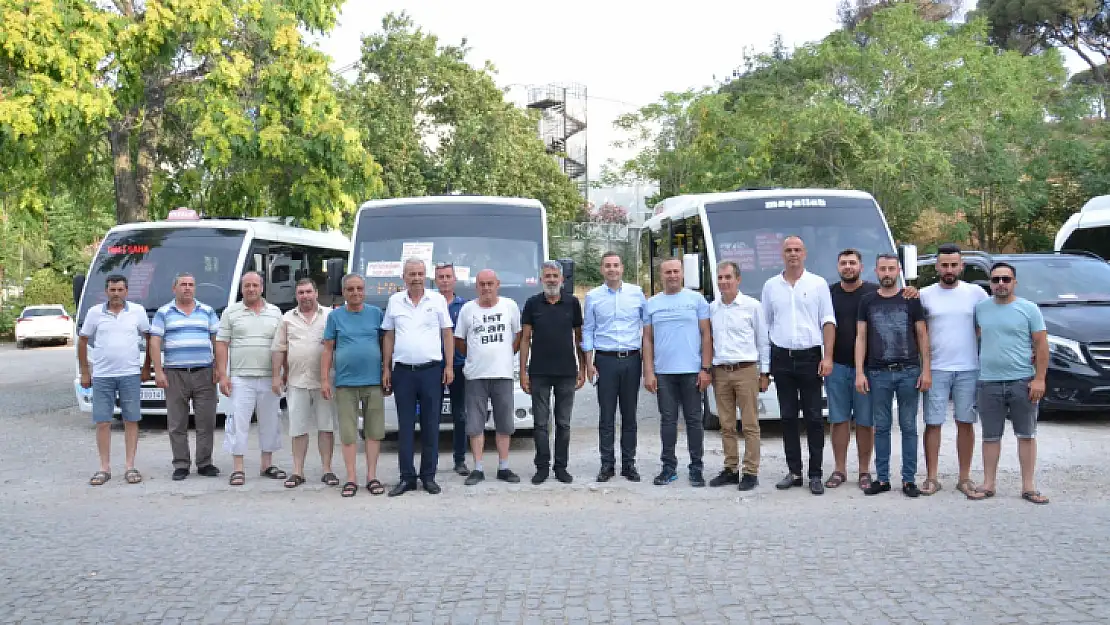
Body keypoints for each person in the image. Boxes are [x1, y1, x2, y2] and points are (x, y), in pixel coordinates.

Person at [825, 249, 919, 490]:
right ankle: (839, 469)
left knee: (866, 421)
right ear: (838, 266)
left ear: (862, 267)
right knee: (838, 419)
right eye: (843, 263)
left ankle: (865, 471)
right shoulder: (829, 293)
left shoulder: (871, 293)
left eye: (852, 263)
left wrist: (912, 290)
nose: (848, 267)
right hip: (836, 365)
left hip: (868, 368)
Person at [968, 262, 1049, 504]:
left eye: (1006, 279)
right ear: (990, 284)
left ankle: (1028, 486)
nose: (1001, 284)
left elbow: (1041, 345)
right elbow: (978, 336)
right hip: (988, 381)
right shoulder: (980, 309)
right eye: (996, 280)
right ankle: (989, 483)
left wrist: (1039, 379)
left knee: (1026, 434)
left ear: (1015, 282)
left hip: (1022, 381)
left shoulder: (1029, 309)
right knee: (990, 436)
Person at [761, 236, 835, 495]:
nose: (793, 254)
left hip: (810, 358)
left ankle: (815, 474)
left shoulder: (817, 284)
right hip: (782, 357)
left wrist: (827, 357)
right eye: (788, 250)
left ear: (805, 253)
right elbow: (766, 325)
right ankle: (794, 471)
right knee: (788, 417)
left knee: (814, 418)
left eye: (797, 250)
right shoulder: (771, 286)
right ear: (782, 255)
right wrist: (766, 365)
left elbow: (828, 321)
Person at [855, 254, 931, 498]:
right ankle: (883, 478)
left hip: (908, 371)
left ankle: (909, 480)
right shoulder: (866, 301)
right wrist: (859, 372)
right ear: (876, 272)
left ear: (898, 270)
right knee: (882, 427)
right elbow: (861, 337)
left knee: (909, 426)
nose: (887, 273)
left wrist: (926, 369)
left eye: (891, 269)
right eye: (882, 269)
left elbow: (922, 335)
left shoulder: (911, 300)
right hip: (877, 373)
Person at [920, 244, 989, 497]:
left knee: (965, 422)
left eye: (953, 265)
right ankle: (932, 477)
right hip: (936, 368)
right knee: (933, 423)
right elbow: (920, 331)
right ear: (937, 267)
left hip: (968, 368)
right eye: (944, 265)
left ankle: (964, 477)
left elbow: (984, 325)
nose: (949, 269)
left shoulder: (976, 293)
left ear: (961, 266)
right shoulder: (924, 295)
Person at [381, 258, 454, 496]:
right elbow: (389, 336)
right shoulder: (394, 301)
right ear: (403, 277)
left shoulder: (437, 300)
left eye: (420, 273)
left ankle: (429, 477)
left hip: (431, 371)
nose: (416, 278)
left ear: (426, 276)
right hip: (403, 372)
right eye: (411, 273)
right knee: (405, 426)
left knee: (431, 425)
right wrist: (386, 368)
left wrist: (449, 366)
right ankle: (406, 477)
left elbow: (447, 334)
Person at [643, 258, 712, 487]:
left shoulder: (696, 300)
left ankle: (696, 468)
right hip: (664, 373)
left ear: (682, 274)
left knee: (694, 421)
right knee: (668, 421)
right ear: (661, 275)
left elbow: (705, 335)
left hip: (692, 371)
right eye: (667, 272)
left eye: (676, 271)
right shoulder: (652, 303)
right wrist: (649, 371)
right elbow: (648, 339)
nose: (672, 275)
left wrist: (705, 368)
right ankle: (668, 467)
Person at [78, 275, 151, 486]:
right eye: (112, 290)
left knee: (131, 419)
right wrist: (85, 371)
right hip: (102, 375)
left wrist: (146, 366)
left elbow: (149, 337)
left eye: (120, 290)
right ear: (106, 291)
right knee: (102, 421)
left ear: (127, 291)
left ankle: (130, 466)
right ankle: (104, 468)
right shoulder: (94, 313)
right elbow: (83, 341)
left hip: (129, 374)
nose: (116, 294)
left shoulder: (137, 312)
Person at [149, 272, 221, 481]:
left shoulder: (207, 311)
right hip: (175, 374)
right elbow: (155, 342)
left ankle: (205, 463)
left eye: (191, 284)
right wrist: (159, 371)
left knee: (206, 422)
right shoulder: (164, 313)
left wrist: (219, 367)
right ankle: (181, 464)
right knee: (177, 422)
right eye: (183, 284)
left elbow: (217, 340)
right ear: (174, 288)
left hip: (204, 373)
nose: (187, 288)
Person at [215, 271, 285, 487]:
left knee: (270, 421)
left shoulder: (275, 313)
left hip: (269, 378)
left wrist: (281, 375)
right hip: (240, 378)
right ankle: (238, 468)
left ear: (262, 287)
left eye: (255, 285)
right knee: (238, 422)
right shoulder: (231, 312)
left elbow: (282, 345)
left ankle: (267, 465)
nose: (251, 289)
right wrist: (223, 375)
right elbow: (221, 343)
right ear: (242, 288)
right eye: (247, 286)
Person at [582, 252, 646, 482]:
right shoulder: (593, 297)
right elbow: (588, 330)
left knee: (629, 415)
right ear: (602, 269)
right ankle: (607, 465)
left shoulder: (636, 294)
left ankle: (629, 464)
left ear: (622, 268)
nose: (612, 269)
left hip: (631, 359)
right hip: (605, 361)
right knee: (606, 416)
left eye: (616, 265)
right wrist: (589, 363)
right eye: (608, 266)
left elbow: (646, 327)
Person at [520, 261, 586, 485]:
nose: (551, 279)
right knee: (540, 424)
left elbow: (579, 339)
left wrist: (583, 369)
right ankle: (541, 468)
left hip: (567, 372)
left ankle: (561, 467)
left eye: (554, 275)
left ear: (562, 279)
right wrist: (523, 371)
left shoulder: (572, 303)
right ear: (541, 279)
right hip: (539, 372)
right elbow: (525, 339)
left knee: (564, 424)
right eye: (547, 276)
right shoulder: (532, 304)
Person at [321, 274, 387, 498]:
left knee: (374, 432)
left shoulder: (376, 314)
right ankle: (351, 478)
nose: (355, 293)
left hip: (373, 382)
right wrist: (324, 380)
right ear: (344, 292)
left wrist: (387, 371)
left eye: (359, 288)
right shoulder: (335, 317)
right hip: (345, 383)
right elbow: (328, 349)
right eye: (350, 289)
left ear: (364, 290)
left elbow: (385, 344)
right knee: (348, 434)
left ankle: (372, 476)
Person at [456, 269, 523, 486]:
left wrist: (505, 354)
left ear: (498, 284)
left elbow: (518, 336)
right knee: (475, 424)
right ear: (476, 286)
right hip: (476, 375)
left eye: (490, 283)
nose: (486, 288)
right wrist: (475, 357)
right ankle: (478, 468)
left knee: (504, 423)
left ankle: (504, 467)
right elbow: (459, 341)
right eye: (482, 284)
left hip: (502, 374)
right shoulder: (468, 309)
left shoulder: (509, 306)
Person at [707, 260, 769, 492]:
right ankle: (730, 469)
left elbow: (763, 341)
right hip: (721, 372)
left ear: (738, 279)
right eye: (720, 278)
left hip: (746, 370)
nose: (724, 282)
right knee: (726, 425)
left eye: (728, 277)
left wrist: (765, 372)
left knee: (751, 424)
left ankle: (751, 471)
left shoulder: (752, 306)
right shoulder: (713, 308)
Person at [271, 278, 338, 489]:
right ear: (296, 295)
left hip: (325, 381)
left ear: (316, 293)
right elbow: (279, 349)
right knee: (298, 429)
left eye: (308, 291)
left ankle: (327, 470)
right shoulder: (286, 319)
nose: (305, 296)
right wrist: (276, 375)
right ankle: (297, 471)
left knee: (326, 427)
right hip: (297, 381)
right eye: (301, 292)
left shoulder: (330, 316)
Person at [435, 262, 470, 476]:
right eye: (441, 277)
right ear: (435, 280)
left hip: (459, 366)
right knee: (432, 415)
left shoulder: (464, 306)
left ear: (454, 280)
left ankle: (460, 460)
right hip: (433, 367)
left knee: (460, 415)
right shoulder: (429, 303)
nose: (445, 280)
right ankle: (433, 460)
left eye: (448, 276)